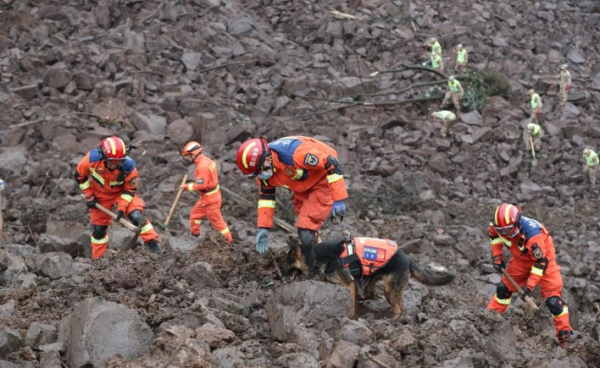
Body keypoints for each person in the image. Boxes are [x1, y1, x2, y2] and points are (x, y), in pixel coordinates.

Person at [236, 136, 349, 254]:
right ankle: (322, 256)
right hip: (301, 186)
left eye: (259, 171)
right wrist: (263, 227)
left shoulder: (295, 155)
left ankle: (317, 265)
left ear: (268, 159)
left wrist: (338, 198)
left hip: (323, 180)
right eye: (256, 174)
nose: (259, 175)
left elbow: (332, 163)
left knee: (306, 229)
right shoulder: (266, 173)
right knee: (306, 227)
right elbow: (266, 198)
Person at [487, 203, 573, 349]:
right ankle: (488, 320)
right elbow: (494, 237)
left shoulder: (533, 235)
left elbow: (541, 262)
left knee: (554, 302)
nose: (505, 233)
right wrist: (497, 258)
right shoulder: (497, 226)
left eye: (507, 230)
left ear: (517, 223)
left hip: (544, 263)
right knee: (503, 289)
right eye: (502, 230)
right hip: (520, 260)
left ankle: (564, 336)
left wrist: (529, 287)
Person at [75, 136, 160, 258]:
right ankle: (98, 260)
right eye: (113, 162)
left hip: (121, 193)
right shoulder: (91, 160)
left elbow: (129, 190)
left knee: (136, 216)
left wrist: (121, 208)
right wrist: (89, 197)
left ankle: (153, 245)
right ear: (104, 158)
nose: (116, 165)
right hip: (100, 196)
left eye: (119, 161)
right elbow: (80, 177)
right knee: (99, 230)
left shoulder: (128, 166)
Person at [180, 141, 232, 243]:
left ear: (193, 154)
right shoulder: (207, 161)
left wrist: (187, 186)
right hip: (208, 197)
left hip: (210, 201)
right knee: (195, 215)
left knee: (218, 223)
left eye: (188, 156)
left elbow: (202, 185)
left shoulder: (202, 167)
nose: (187, 158)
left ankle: (229, 241)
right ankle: (195, 236)